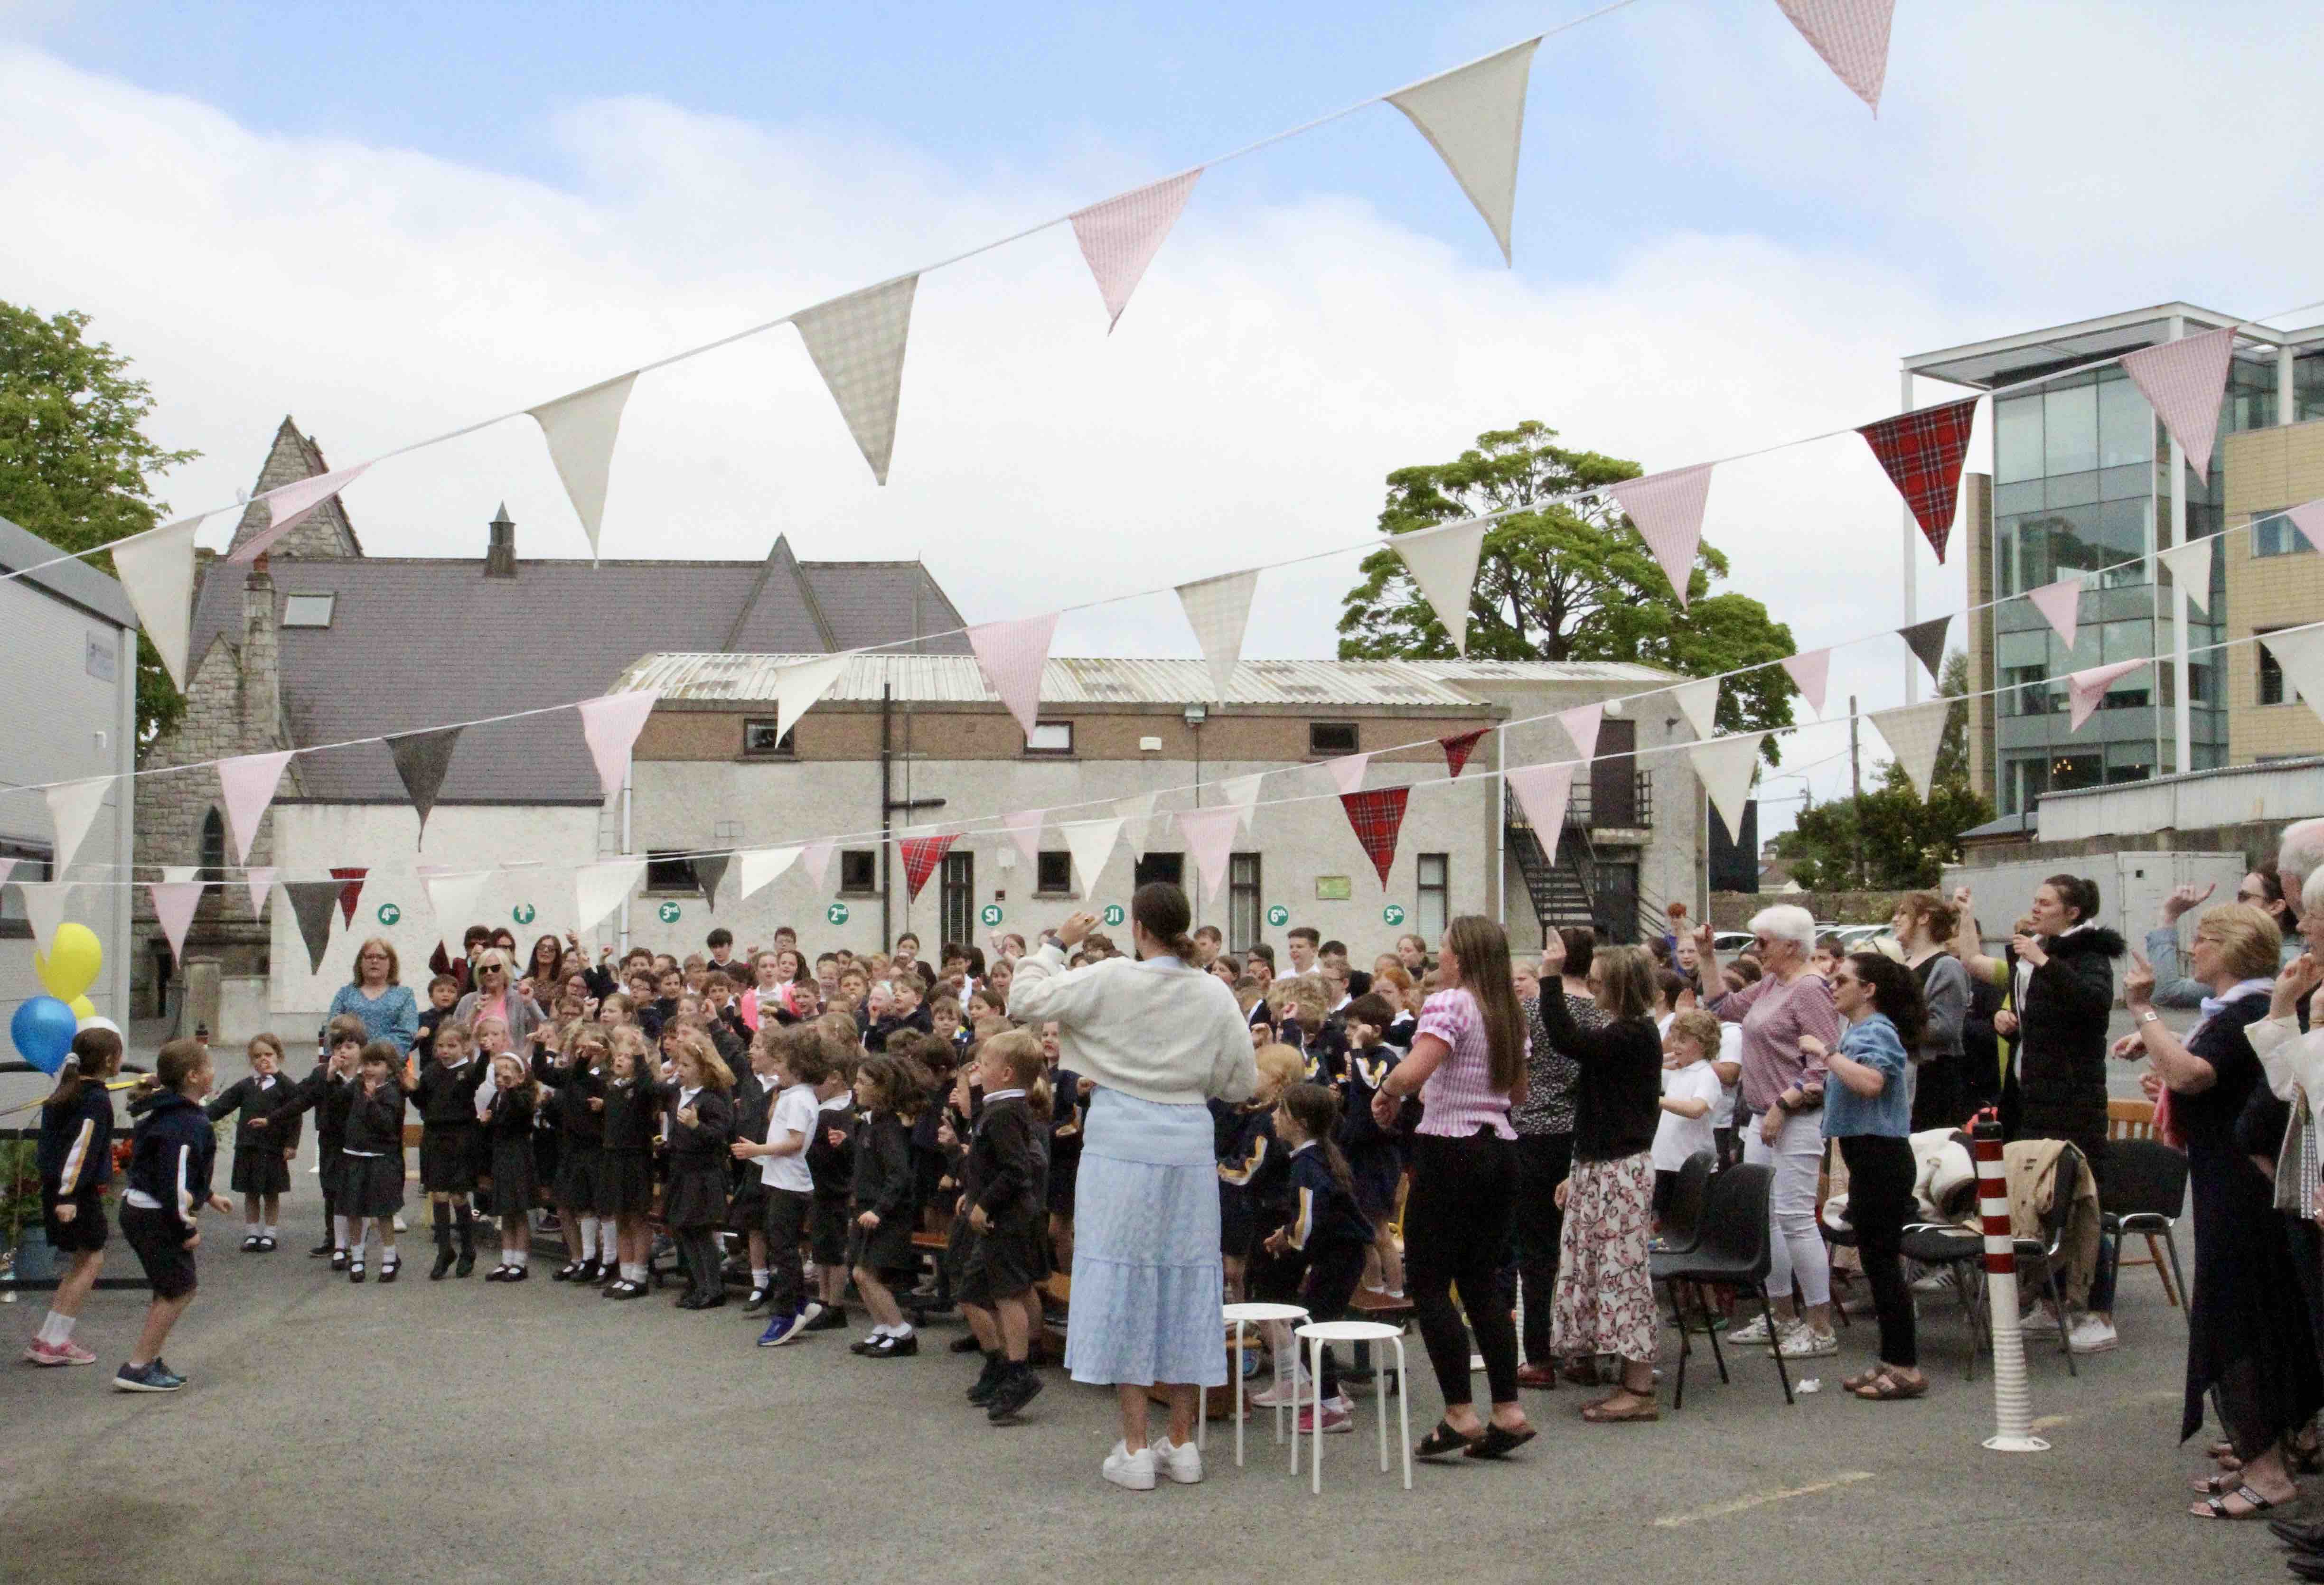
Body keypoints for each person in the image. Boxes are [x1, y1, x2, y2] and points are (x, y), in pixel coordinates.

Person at [1006, 884, 1258, 1492]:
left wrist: (1055, 944)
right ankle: (1182, 1441)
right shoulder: (1213, 990)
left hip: (1122, 1136)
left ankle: (1138, 1445)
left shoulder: (1115, 976)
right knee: (1187, 1277)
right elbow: (1241, 1080)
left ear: (1140, 927)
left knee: (1126, 1277)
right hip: (1185, 1138)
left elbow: (1022, 998)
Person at [2120, 906, 2322, 1519]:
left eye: (2204, 940)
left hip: (2238, 1189)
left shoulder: (2245, 1009)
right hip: (2230, 1181)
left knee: (2236, 1321)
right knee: (2261, 1317)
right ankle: (2271, 1450)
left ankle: (2267, 1472)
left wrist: (2144, 1011)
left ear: (2232, 948)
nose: (2195, 951)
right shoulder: (2239, 1010)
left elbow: (2192, 1074)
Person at [1371, 915, 1536, 1459]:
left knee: (1431, 1281)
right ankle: (1507, 1409)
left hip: (1450, 1148)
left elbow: (1415, 1070)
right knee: (1482, 1281)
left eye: (1443, 949)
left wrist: (1387, 1089)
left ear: (1459, 958)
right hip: (1500, 1148)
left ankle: (1459, 1412)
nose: (1439, 957)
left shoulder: (1450, 1004)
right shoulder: (1507, 1011)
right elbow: (1518, 1094)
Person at [1953, 875, 2126, 1353]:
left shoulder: (2088, 956)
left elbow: (2092, 1009)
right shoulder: (2034, 956)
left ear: (2071, 912)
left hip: (2074, 1100)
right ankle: (2051, 1304)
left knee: (2083, 1201)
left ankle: (2098, 1310)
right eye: (2034, 901)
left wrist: (2043, 961)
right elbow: (2042, 1019)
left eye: (2045, 902)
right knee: (2039, 1201)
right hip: (2033, 1096)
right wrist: (2010, 1026)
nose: (2035, 909)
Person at [1697, 906, 1841, 1358]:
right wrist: (1706, 957)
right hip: (1763, 1115)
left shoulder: (1810, 990)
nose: (1754, 950)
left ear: (1791, 946)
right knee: (1768, 1219)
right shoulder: (1774, 985)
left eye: (1762, 943)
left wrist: (1785, 1103)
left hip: (1794, 1118)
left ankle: (1820, 1327)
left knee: (1796, 1218)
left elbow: (1823, 1064)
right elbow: (1722, 1007)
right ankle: (1782, 1316)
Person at [1536, 936, 1663, 1423]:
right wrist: (1578, 1168)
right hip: (1601, 1164)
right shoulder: (1623, 1031)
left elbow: (1567, 1039)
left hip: (1620, 1168)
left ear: (1619, 985)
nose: (1590, 985)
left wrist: (1551, 977)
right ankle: (1621, 1374)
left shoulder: (1632, 1034)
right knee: (1600, 1268)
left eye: (1597, 979)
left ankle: (1639, 1389)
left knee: (1623, 1273)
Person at [1811, 952, 1926, 1402]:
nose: (1833, 986)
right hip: (1866, 1154)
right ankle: (1891, 1358)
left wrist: (1825, 1054)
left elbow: (1872, 1083)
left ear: (1869, 990)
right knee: (1877, 1264)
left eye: (1842, 980)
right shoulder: (1857, 1030)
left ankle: (1906, 1367)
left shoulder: (1877, 1031)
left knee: (1882, 1263)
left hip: (1883, 1156)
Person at [112, 1039, 233, 1393]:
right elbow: (173, 1179)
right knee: (180, 1290)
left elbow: (169, 1168)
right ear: (194, 1076)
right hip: (155, 1215)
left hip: (145, 1208)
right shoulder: (185, 1122)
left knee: (171, 1288)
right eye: (208, 1067)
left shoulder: (169, 1111)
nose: (213, 1072)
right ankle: (138, 1366)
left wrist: (208, 1196)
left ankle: (147, 1361)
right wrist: (184, 1229)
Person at [1261, 1082, 1374, 1436]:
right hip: (1341, 1253)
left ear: (1301, 1122)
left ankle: (1331, 1407)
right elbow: (1311, 1214)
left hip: (1341, 1255)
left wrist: (1289, 1242)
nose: (1274, 1117)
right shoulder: (1313, 1157)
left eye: (1281, 1111)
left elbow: (1309, 1221)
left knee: (1311, 1329)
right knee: (1311, 1327)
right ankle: (1329, 1399)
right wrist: (1288, 1231)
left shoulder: (1307, 1164)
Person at [956, 1028, 1052, 1424]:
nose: (980, 1067)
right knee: (976, 1290)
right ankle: (999, 1362)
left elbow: (1017, 1168)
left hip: (1008, 1219)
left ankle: (1019, 1369)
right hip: (996, 1214)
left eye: (988, 1063)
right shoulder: (997, 1108)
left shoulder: (1006, 1113)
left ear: (1009, 1073)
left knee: (1008, 1295)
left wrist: (986, 1203)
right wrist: (974, 1192)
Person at [1512, 925, 1593, 1389]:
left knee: (1538, 1251)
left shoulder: (1531, 1012)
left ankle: (1539, 1356)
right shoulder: (1601, 1015)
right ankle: (1582, 1351)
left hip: (1533, 1135)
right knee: (1580, 1250)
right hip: (1583, 1136)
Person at [26, 1024, 125, 1367]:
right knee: (92, 1259)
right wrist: (68, 1195)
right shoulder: (95, 1100)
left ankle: (49, 1337)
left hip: (60, 1186)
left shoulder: (65, 1092)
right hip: (75, 1191)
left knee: (82, 1260)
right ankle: (55, 1339)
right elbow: (79, 1149)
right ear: (112, 1060)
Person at [742, 1027, 828, 1345]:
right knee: (781, 1244)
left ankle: (787, 1313)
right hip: (781, 1180)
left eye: (780, 1061)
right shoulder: (791, 1096)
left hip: (790, 1184)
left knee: (784, 1249)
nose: (775, 1067)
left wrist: (757, 1151)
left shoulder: (800, 1098)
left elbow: (794, 1143)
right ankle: (802, 1303)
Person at [845, 1054, 923, 1353]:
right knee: (858, 1274)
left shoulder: (889, 1128)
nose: (856, 1087)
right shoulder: (869, 1123)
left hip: (885, 1214)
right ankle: (883, 1328)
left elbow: (899, 1175)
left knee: (867, 1274)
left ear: (882, 1089)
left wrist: (880, 1210)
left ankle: (902, 1333)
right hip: (865, 1208)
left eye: (863, 1082)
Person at [1336, 992, 1406, 1299]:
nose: (1349, 1035)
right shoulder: (1363, 1060)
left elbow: (1369, 1086)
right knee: (1362, 1230)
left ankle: (1394, 1294)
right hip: (1357, 1150)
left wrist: (1356, 1049)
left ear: (1374, 1030)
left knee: (1379, 1231)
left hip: (1378, 1154)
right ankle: (1373, 1288)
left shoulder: (1385, 1058)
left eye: (1354, 1028)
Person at [407, 1019, 489, 1280]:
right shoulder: (431, 1071)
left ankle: (467, 1249)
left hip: (461, 1138)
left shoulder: (469, 1070)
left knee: (458, 1196)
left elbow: (478, 1077)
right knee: (438, 1195)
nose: (445, 1051)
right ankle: (444, 1250)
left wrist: (486, 1054)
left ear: (465, 1047)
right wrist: (411, 1089)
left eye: (452, 1046)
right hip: (434, 1136)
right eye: (441, 1046)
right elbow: (422, 1102)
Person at [662, 1028, 736, 1311]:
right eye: (679, 1064)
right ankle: (699, 1283)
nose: (680, 1070)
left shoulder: (711, 1099)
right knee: (685, 1230)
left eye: (687, 1065)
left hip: (703, 1174)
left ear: (704, 1070)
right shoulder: (678, 1094)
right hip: (682, 1170)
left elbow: (720, 1135)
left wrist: (696, 1126)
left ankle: (713, 1288)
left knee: (700, 1231)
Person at [1885, 892, 1971, 1134]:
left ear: (1924, 919)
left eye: (1903, 912)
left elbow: (1945, 1028)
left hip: (1931, 1082)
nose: (1896, 919)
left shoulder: (1946, 966)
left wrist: (1888, 1028)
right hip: (1902, 1076)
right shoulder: (1903, 966)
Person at [205, 1033, 300, 1252]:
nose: (263, 1060)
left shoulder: (284, 1085)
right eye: (257, 1056)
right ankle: (252, 1233)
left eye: (269, 1054)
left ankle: (270, 1233)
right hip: (248, 1146)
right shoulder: (245, 1086)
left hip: (273, 1148)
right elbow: (221, 1107)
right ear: (251, 1059)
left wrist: (291, 1144)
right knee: (251, 1192)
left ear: (278, 1056)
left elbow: (297, 1109)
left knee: (271, 1192)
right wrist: (195, 1113)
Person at [596, 1028, 661, 1298]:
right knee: (621, 1217)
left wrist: (642, 1057)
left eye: (627, 1056)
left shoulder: (642, 1088)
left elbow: (648, 1087)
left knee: (637, 1218)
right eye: (618, 1056)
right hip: (614, 1156)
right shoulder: (612, 1088)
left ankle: (640, 1276)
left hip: (636, 1157)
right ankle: (625, 1274)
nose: (620, 1060)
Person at [338, 1043, 409, 1283]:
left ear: (389, 1069)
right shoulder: (356, 1086)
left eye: (377, 1064)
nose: (369, 1069)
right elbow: (336, 1101)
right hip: (355, 1156)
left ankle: (390, 1258)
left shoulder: (392, 1092)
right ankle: (357, 1257)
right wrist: (332, 1076)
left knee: (383, 1213)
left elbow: (387, 1125)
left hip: (381, 1159)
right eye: (367, 1064)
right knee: (354, 1211)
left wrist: (371, 1101)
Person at [1652, 1010, 1723, 1214]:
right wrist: (1664, 1060)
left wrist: (1658, 1100)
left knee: (1687, 1222)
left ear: (1701, 1043)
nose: (1675, 1046)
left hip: (1690, 1164)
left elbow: (1696, 1109)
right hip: (1665, 1161)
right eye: (1675, 1040)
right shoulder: (1679, 1072)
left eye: (1682, 1041)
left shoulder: (1706, 1075)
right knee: (1663, 1221)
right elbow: (1645, 1070)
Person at [480, 1051, 539, 1282]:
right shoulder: (497, 1097)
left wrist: (513, 1089)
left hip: (518, 1156)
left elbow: (519, 1114)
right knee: (506, 1211)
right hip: (501, 1157)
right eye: (497, 1073)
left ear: (520, 1077)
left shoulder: (522, 1096)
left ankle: (521, 1262)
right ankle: (507, 1260)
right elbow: (496, 1124)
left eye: (507, 1073)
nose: (501, 1077)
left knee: (519, 1212)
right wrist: (486, 1122)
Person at [324, 938, 420, 1056]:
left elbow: (407, 1034)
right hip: (349, 1066)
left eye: (381, 957)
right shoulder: (345, 994)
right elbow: (331, 1030)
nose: (375, 961)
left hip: (387, 1066)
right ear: (360, 962)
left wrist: (369, 1052)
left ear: (391, 963)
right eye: (369, 957)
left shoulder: (405, 995)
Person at [456, 949, 544, 1050]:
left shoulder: (520, 999)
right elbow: (455, 1037)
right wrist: (473, 1014)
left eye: (495, 968)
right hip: (476, 1064)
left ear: (506, 970)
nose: (489, 973)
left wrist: (530, 1004)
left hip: (510, 1063)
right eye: (484, 970)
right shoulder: (467, 1001)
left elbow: (544, 1029)